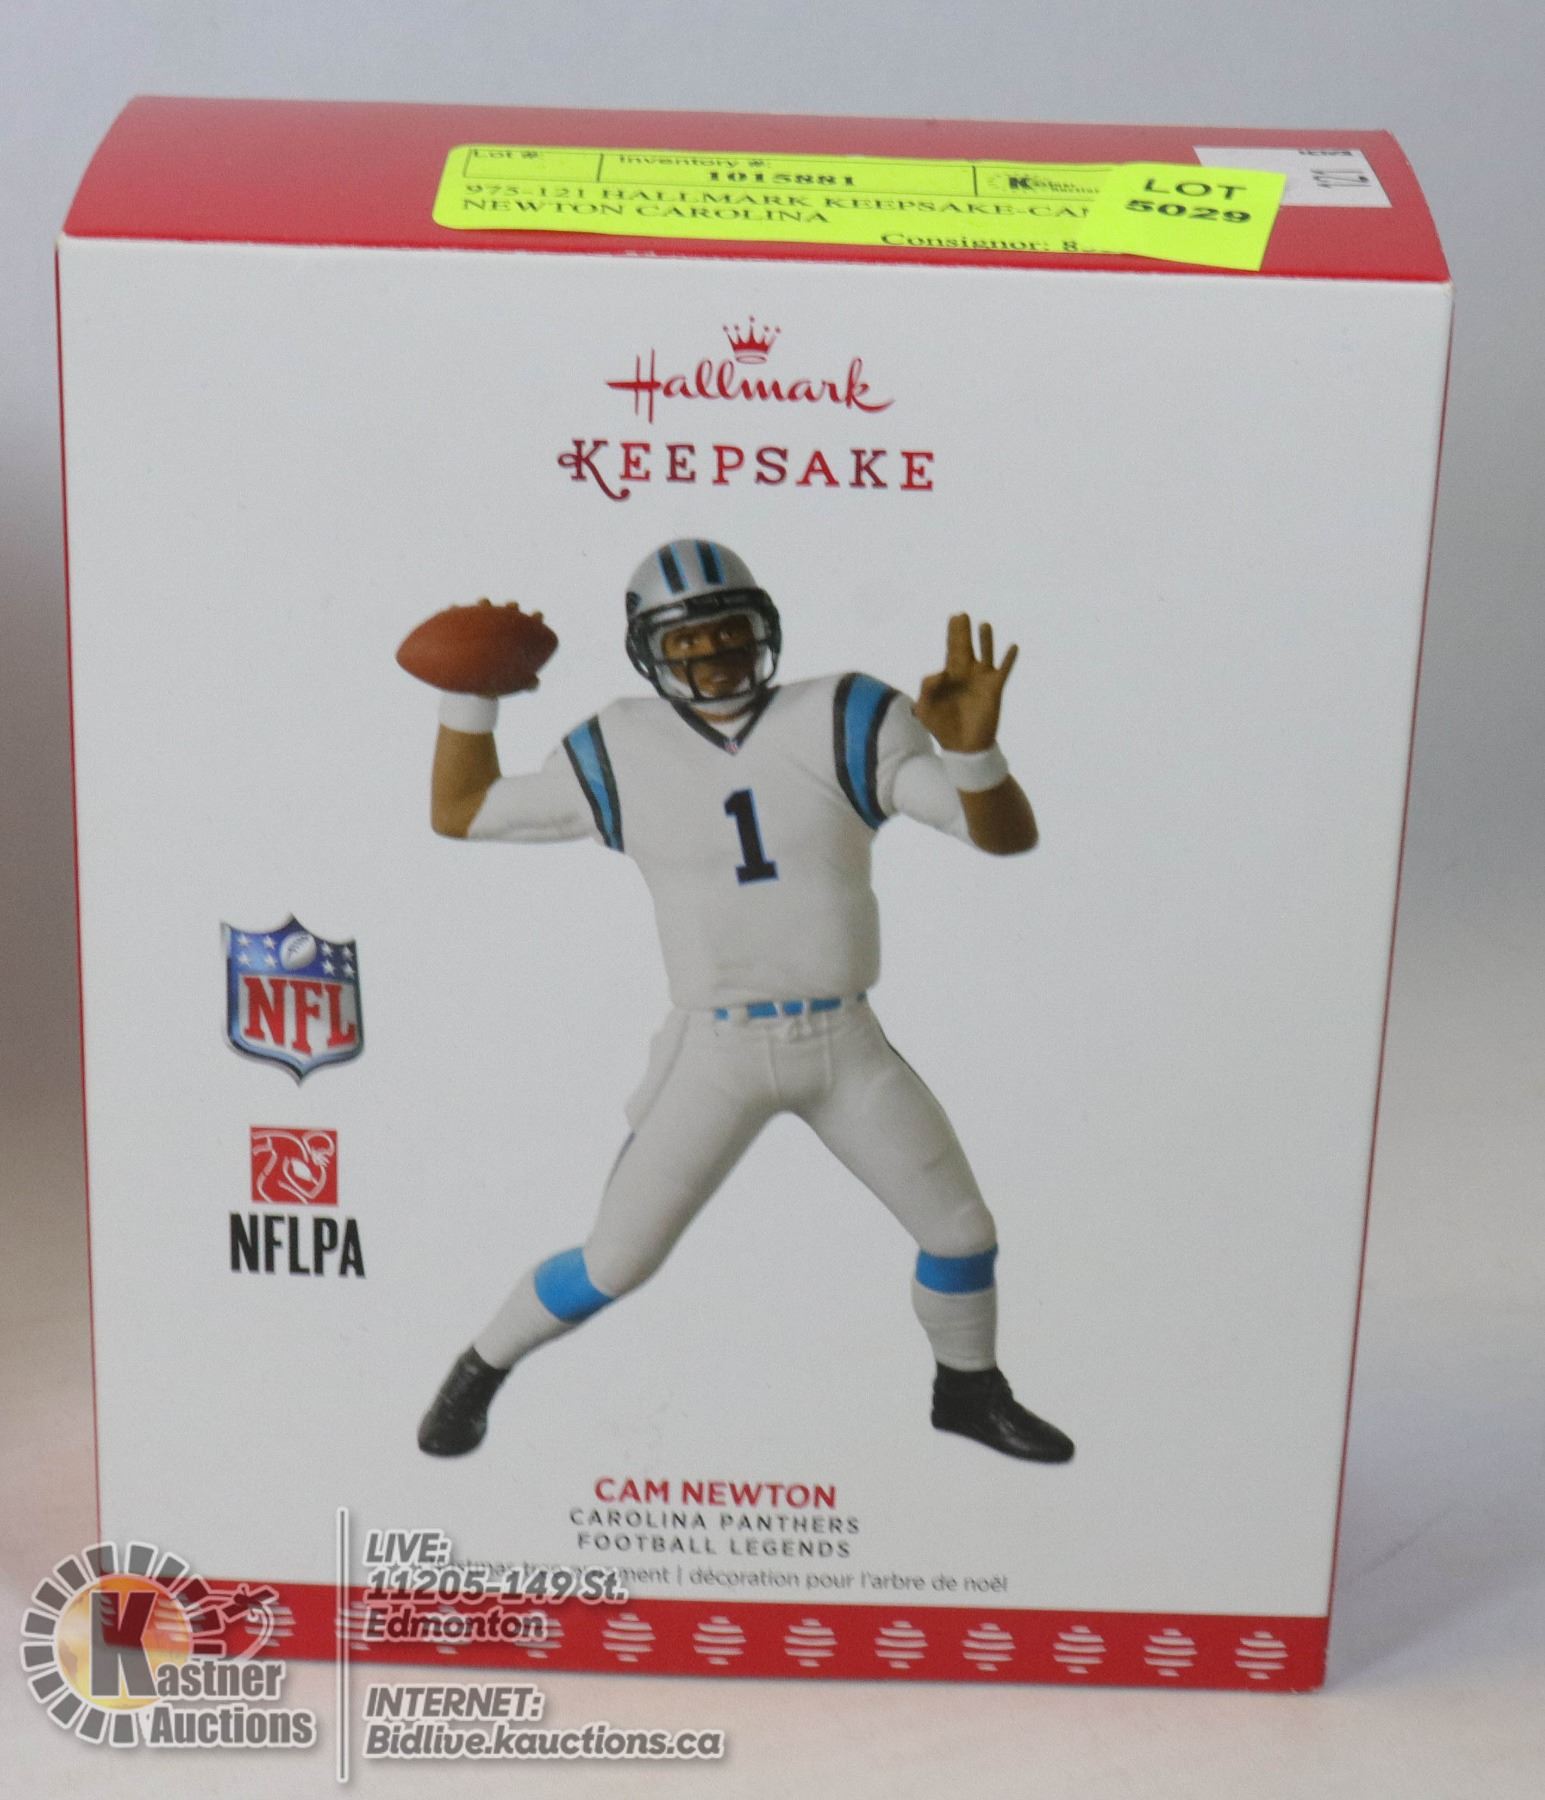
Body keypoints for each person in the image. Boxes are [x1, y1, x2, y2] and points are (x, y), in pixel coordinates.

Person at [416, 539, 1074, 1464]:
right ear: (649, 652)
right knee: (616, 1263)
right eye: (686, 640)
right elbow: (463, 811)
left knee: (961, 1233)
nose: (714, 653)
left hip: (844, 1039)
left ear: (763, 625)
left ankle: (967, 1392)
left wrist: (973, 755)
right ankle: (478, 1368)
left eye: (728, 630)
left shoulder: (845, 714)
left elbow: (998, 836)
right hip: (715, 1050)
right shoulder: (623, 743)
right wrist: (466, 697)